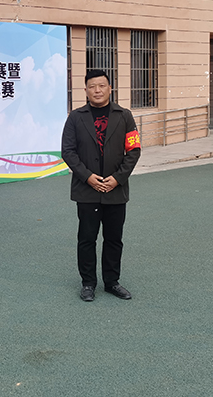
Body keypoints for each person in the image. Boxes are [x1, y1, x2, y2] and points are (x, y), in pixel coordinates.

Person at [61, 69, 141, 301]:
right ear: (85, 90)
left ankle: (112, 282)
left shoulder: (124, 116)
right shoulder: (75, 117)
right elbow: (68, 151)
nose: (97, 90)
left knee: (114, 238)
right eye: (92, 86)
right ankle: (88, 283)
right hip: (87, 190)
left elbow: (134, 150)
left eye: (102, 85)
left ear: (110, 88)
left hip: (116, 190)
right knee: (87, 239)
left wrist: (117, 178)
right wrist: (87, 177)